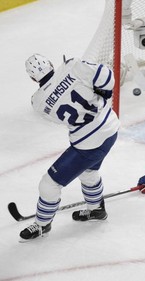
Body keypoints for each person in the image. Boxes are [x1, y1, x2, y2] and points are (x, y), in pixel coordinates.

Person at [20, 54, 120, 242]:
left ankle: (43, 224)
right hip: (110, 128)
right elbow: (107, 76)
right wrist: (103, 94)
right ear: (50, 63)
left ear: (32, 78)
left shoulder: (38, 102)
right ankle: (96, 210)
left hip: (88, 144)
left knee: (48, 184)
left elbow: (57, 117)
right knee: (88, 172)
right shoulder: (72, 65)